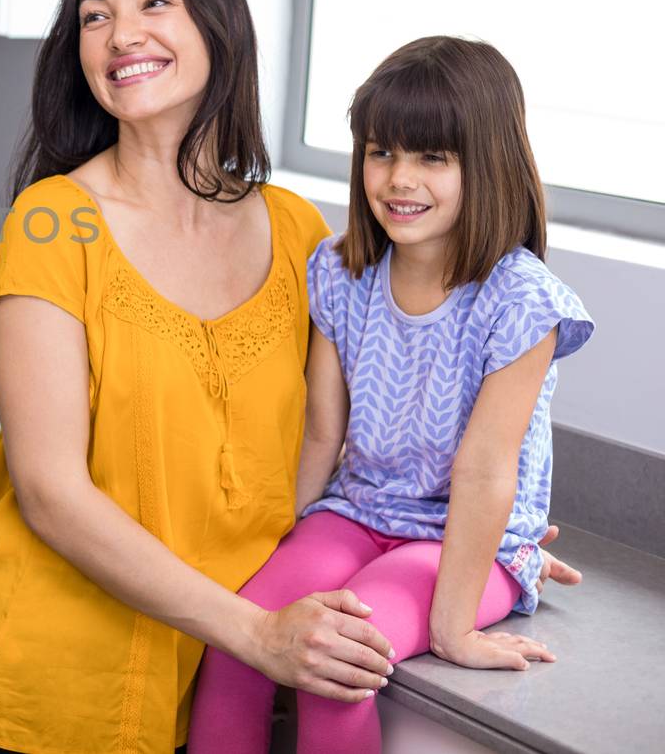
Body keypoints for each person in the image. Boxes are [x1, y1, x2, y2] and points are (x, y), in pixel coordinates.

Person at [0, 0, 576, 754]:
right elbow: (52, 493)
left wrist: (489, 541)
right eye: (93, 15)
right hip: (52, 696)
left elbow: (351, 426)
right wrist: (257, 633)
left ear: (217, 26)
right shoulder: (52, 221)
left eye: (152, 1)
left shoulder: (299, 235)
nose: (120, 31)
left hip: (214, 688)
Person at [186, 36, 593, 754]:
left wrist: (455, 625)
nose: (399, 178)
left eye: (431, 156)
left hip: (462, 540)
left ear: (487, 162)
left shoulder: (521, 301)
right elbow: (321, 433)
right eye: (381, 152)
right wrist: (274, 542)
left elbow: (486, 470)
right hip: (356, 511)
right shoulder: (341, 273)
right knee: (237, 637)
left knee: (339, 658)